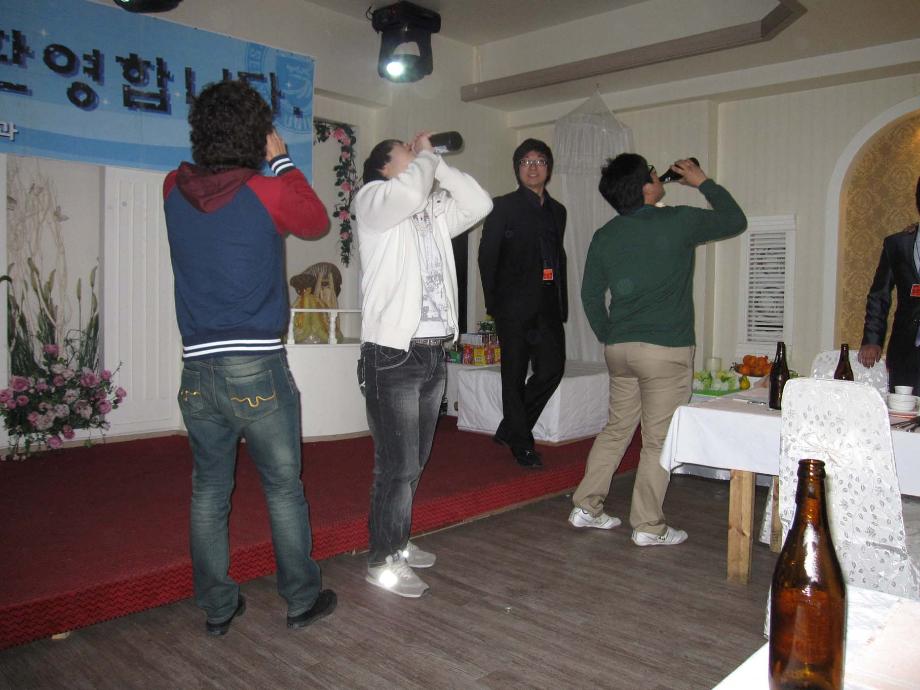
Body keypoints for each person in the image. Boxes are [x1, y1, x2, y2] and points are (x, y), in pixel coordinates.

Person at [163, 80, 336, 635]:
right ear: (257, 135)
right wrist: (281, 160)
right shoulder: (267, 191)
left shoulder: (172, 188)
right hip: (257, 364)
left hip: (197, 368)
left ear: (201, 131)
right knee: (282, 487)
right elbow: (316, 222)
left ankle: (218, 609)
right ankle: (301, 600)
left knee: (208, 490)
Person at [570, 155, 746, 545]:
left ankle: (586, 506)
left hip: (620, 350)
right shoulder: (679, 220)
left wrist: (610, 335)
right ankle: (649, 526)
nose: (657, 174)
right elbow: (735, 220)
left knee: (616, 429)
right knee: (658, 441)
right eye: (652, 172)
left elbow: (589, 295)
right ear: (646, 187)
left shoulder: (605, 234)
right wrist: (702, 182)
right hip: (665, 351)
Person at [353, 132, 492, 598]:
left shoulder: (430, 212)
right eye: (407, 154)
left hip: (433, 351)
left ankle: (397, 539)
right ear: (384, 167)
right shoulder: (372, 200)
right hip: (391, 354)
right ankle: (383, 559)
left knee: (414, 461)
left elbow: (479, 203)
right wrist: (428, 156)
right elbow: (410, 192)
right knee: (396, 465)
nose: (418, 159)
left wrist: (441, 165)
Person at [478, 139, 567, 469]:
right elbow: (487, 257)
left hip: (548, 304)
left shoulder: (558, 211)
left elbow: (556, 257)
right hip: (512, 307)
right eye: (526, 161)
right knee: (513, 375)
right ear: (517, 169)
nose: (533, 167)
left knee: (552, 369)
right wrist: (495, 304)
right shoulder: (502, 206)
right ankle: (521, 443)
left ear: (548, 168)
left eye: (539, 161)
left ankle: (510, 428)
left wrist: (561, 300)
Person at [858, 176, 920, 393]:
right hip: (905, 351)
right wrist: (872, 339)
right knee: (901, 410)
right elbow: (879, 294)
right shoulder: (897, 244)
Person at [290, 262, 343, 344]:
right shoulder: (310, 299)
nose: (324, 291)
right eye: (321, 287)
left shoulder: (321, 300)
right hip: (306, 330)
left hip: (322, 330)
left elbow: (329, 304)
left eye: (327, 287)